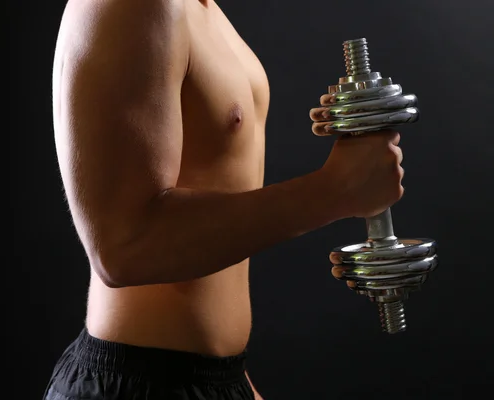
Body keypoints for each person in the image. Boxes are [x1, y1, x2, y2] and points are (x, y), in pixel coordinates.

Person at [43, 0, 404, 399]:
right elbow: (124, 247)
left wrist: (238, 387)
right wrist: (334, 192)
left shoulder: (207, 12)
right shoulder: (133, 6)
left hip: (221, 379)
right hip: (135, 384)